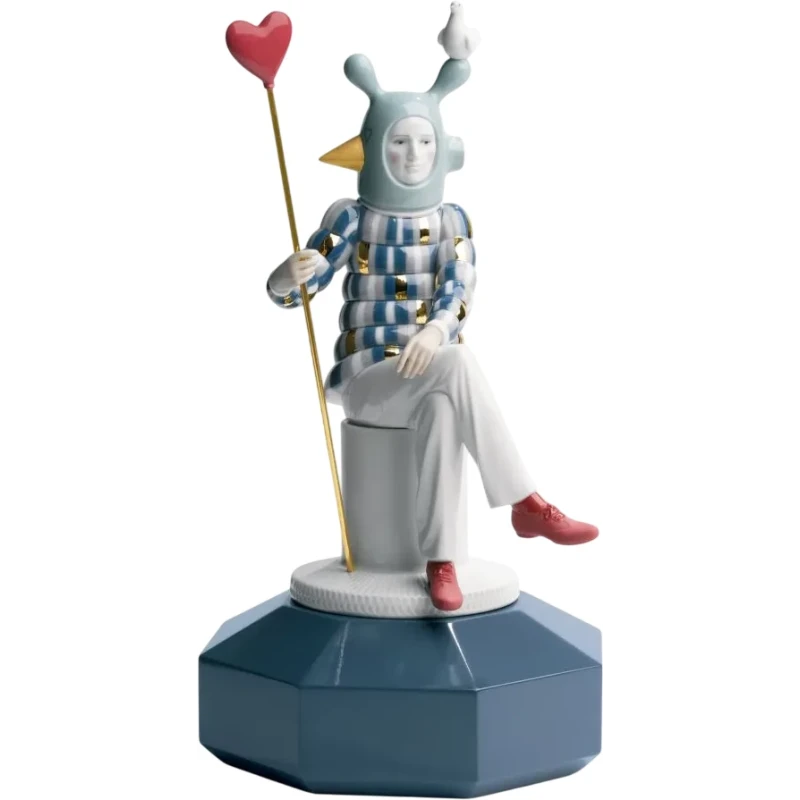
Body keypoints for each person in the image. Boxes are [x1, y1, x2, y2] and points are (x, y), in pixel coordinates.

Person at [266, 45, 598, 612]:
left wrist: (435, 331)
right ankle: (526, 502)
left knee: (444, 407)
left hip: (429, 373)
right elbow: (303, 286)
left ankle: (440, 561)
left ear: (443, 149)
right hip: (370, 381)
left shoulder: (451, 221)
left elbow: (459, 288)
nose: (413, 154)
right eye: (399, 141)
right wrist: (284, 277)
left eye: (424, 142)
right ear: (374, 147)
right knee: (460, 361)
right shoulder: (352, 217)